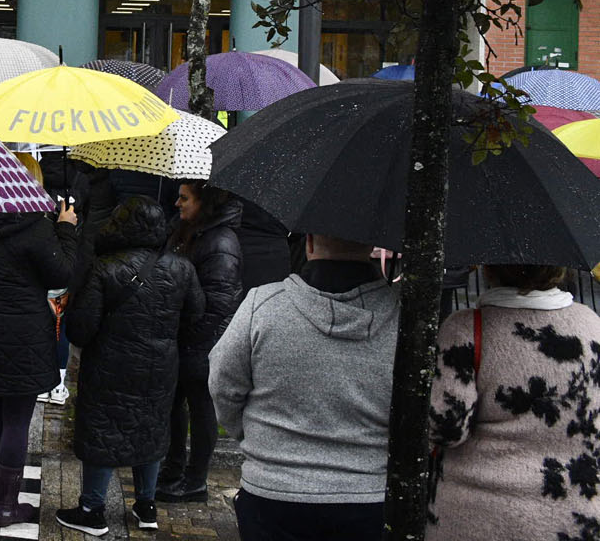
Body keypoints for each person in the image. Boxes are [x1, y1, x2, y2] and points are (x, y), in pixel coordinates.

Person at [209, 233, 399, 541]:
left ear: (308, 244)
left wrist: (256, 438)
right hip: (366, 497)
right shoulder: (402, 315)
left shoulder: (263, 305)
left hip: (273, 492)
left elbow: (222, 385)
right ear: (370, 247)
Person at [58, 196, 203, 537]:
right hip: (160, 366)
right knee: (150, 428)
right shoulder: (182, 268)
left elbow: (81, 329)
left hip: (110, 367)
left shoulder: (104, 267)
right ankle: (147, 506)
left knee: (103, 431)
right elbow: (196, 313)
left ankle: (92, 510)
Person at [427, 263, 600, 540]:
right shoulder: (591, 325)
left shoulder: (465, 328)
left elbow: (446, 428)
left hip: (474, 516)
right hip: (570, 513)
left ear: (491, 270)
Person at [0, 198, 78, 525]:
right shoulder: (36, 225)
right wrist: (65, 229)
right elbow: (61, 273)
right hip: (25, 332)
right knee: (17, 420)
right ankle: (6, 506)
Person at [158, 180, 243, 503]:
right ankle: (174, 468)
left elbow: (220, 300)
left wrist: (193, 337)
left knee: (200, 407)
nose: (177, 204)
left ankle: (195, 480)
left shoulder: (221, 242)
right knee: (175, 405)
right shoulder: (188, 230)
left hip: (203, 340)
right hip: (183, 335)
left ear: (203, 202)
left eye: (184, 198)